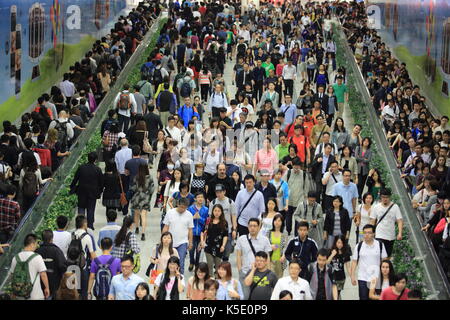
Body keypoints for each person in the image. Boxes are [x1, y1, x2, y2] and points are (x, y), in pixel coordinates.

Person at [236, 218, 272, 300]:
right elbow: (238, 256)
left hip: (260, 274)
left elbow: (268, 258)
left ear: (259, 227)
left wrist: (268, 272)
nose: (252, 228)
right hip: (245, 272)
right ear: (248, 227)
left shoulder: (265, 240)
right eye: (250, 226)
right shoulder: (241, 239)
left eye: (255, 226)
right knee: (245, 296)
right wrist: (240, 271)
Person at [350, 224, 388, 300]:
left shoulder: (380, 245)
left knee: (375, 298)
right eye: (365, 233)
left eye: (369, 232)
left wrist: (385, 276)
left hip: (376, 278)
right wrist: (352, 275)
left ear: (374, 234)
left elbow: (385, 260)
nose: (367, 235)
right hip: (362, 278)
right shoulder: (359, 246)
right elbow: (354, 261)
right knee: (363, 298)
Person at [9, 234, 50, 300]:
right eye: (36, 243)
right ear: (32, 244)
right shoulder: (37, 257)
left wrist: (13, 290)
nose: (37, 246)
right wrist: (47, 288)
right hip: (35, 295)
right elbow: (43, 275)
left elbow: (12, 275)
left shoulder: (15, 258)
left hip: (20, 295)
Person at [70, 152, 104, 230]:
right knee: (91, 209)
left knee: (81, 208)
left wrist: (72, 187)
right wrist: (100, 191)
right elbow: (101, 182)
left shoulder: (81, 167)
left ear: (88, 158)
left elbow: (75, 179)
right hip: (93, 193)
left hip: (81, 192)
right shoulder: (97, 169)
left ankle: (80, 225)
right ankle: (90, 225)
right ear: (95, 160)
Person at [162, 198, 194, 274]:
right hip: (170, 242)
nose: (183, 209)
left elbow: (190, 230)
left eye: (185, 207)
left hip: (182, 242)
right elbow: (165, 227)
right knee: (169, 261)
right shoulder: (170, 213)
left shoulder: (189, 215)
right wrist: (162, 240)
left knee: (181, 262)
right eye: (181, 207)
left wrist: (190, 242)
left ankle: (180, 280)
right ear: (178, 204)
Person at [369, 188, 403, 258]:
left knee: (387, 256)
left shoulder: (395, 207)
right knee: (379, 254)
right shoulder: (376, 207)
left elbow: (400, 220)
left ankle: (384, 268)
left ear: (390, 197)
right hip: (379, 234)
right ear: (380, 197)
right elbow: (372, 221)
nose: (385, 199)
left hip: (390, 235)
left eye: (387, 197)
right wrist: (371, 233)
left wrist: (400, 233)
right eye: (383, 197)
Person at [208, 184, 238, 262]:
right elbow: (210, 217)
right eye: (217, 192)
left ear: (224, 192)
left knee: (227, 250)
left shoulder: (230, 202)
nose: (219, 194)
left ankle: (225, 265)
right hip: (215, 231)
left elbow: (234, 216)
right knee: (216, 252)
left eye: (220, 192)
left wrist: (234, 229)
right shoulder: (213, 202)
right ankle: (217, 267)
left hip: (228, 230)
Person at [35, 230, 67, 300]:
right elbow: (63, 266)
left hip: (40, 283)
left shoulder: (37, 251)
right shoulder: (56, 250)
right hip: (55, 282)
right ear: (52, 239)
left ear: (42, 238)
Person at [200, 204, 228, 277]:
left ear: (221, 212)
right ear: (212, 211)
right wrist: (202, 241)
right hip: (208, 246)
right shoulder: (208, 220)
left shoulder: (224, 222)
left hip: (219, 247)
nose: (217, 212)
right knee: (209, 266)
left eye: (219, 211)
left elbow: (225, 235)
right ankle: (210, 282)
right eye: (215, 210)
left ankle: (217, 282)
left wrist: (223, 245)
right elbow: (203, 232)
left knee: (218, 266)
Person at [129, 163, 154, 241]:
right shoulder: (150, 178)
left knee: (136, 214)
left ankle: (136, 228)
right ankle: (143, 233)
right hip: (145, 198)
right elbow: (152, 190)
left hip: (137, 198)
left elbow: (133, 188)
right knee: (143, 216)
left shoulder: (136, 177)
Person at [187, 192, 209, 271]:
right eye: (198, 197)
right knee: (191, 248)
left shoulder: (206, 209)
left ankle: (197, 264)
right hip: (192, 232)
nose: (200, 199)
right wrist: (193, 217)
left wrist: (199, 218)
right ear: (195, 199)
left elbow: (206, 222)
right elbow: (187, 220)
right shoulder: (190, 208)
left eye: (202, 197)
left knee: (199, 250)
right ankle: (191, 262)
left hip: (201, 233)